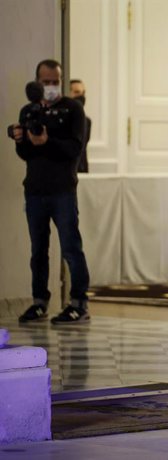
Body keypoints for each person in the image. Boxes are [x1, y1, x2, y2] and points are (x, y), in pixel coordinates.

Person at [9, 59, 91, 324]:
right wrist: (23, 140)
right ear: (37, 83)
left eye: (55, 81)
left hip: (63, 190)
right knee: (38, 250)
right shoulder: (29, 111)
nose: (51, 87)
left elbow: (74, 150)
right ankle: (39, 302)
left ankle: (79, 303)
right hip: (34, 189)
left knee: (70, 247)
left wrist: (47, 141)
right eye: (45, 83)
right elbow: (25, 154)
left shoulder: (73, 109)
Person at [69, 79, 91, 173]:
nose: (81, 96)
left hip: (82, 170)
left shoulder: (87, 121)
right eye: (77, 92)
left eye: (83, 92)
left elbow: (83, 151)